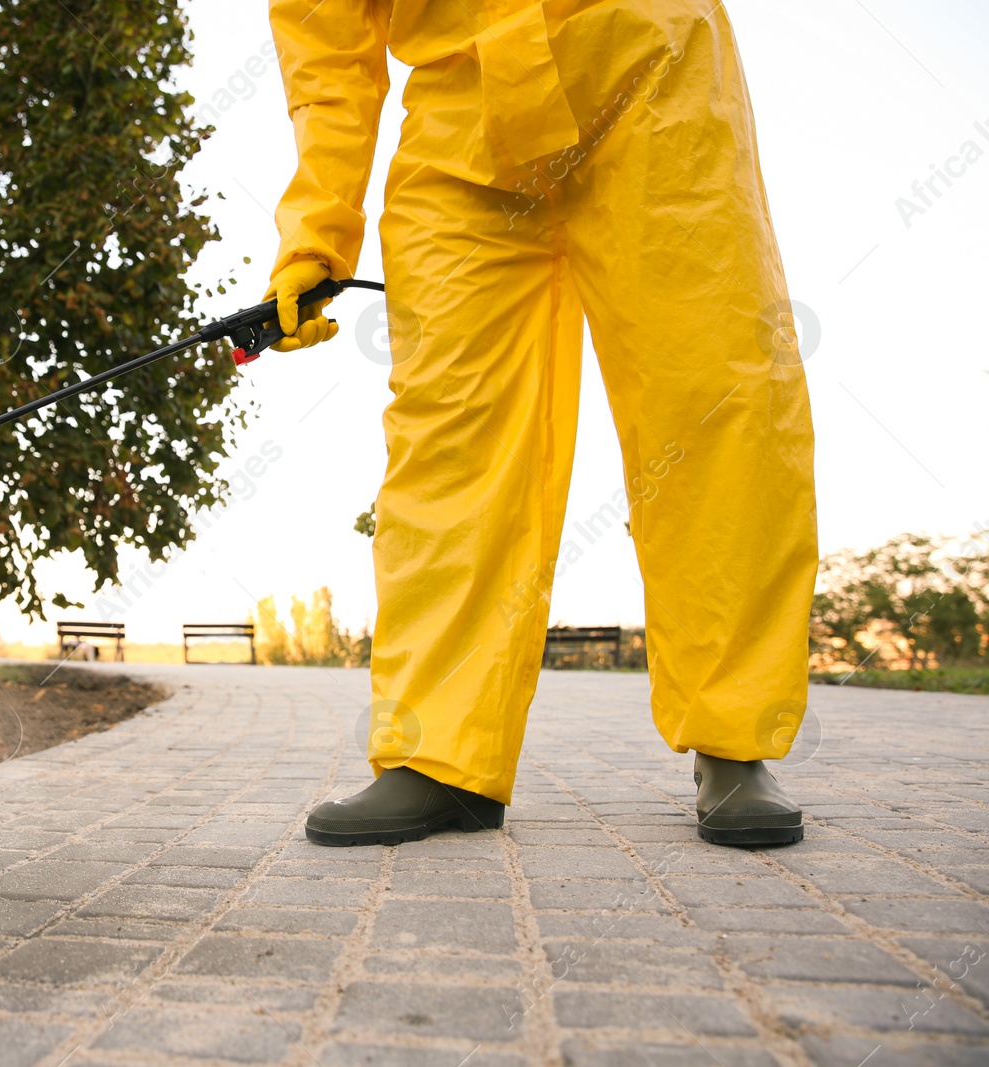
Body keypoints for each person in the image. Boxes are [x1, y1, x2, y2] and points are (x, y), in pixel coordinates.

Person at [262, 0, 817, 848]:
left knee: (712, 400)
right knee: (447, 437)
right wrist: (315, 233)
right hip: (461, 115)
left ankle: (733, 740)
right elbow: (325, 50)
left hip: (645, 67)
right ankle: (439, 756)